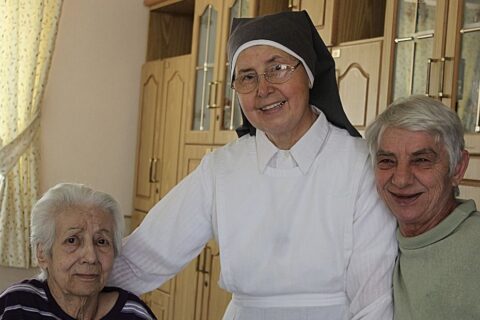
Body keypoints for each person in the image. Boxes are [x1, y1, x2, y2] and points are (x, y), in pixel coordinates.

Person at [110, 10, 397, 320]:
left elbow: (373, 301)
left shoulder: (361, 164)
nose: (263, 89)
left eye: (277, 69)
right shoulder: (221, 169)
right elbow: (147, 255)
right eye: (247, 76)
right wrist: (65, 285)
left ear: (310, 74)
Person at [365, 95, 480, 319]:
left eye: (422, 160)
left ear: (458, 168)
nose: (401, 179)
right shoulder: (374, 236)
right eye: (387, 161)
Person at [0, 183, 156, 320]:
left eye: (101, 241)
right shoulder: (15, 306)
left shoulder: (134, 314)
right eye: (72, 240)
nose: (91, 257)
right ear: (42, 254)